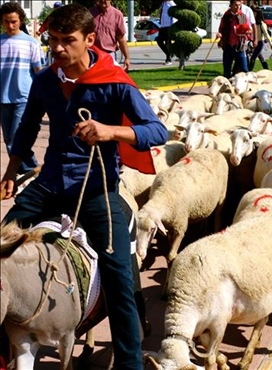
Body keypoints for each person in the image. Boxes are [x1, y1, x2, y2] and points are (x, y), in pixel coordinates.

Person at [0, 4, 167, 369]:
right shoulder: (46, 79)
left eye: (67, 41)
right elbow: (27, 128)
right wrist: (11, 171)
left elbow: (158, 130)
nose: (58, 49)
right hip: (49, 184)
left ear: (89, 40)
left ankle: (129, 362)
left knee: (119, 276)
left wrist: (112, 132)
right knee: (0, 247)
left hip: (96, 188)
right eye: (53, 40)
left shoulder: (113, 81)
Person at [1, 2, 43, 175]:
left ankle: (29, 171)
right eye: (6, 21)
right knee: (8, 139)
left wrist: (42, 97)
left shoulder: (31, 43)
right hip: (3, 98)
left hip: (23, 98)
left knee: (15, 139)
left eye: (14, 21)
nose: (10, 25)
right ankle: (27, 172)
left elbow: (39, 72)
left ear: (20, 21)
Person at [89, 0, 130, 70]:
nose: (102, 0)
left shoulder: (117, 15)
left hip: (109, 55)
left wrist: (127, 58)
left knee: (108, 79)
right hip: (92, 54)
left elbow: (121, 38)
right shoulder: (90, 13)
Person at [217, 0, 252, 78]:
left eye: (239, 5)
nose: (238, 7)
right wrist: (219, 35)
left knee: (244, 69)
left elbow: (249, 29)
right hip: (228, 46)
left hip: (240, 46)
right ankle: (227, 87)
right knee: (227, 70)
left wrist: (248, 32)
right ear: (231, 5)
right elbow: (221, 29)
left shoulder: (242, 16)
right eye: (236, 5)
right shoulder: (226, 16)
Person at [156, 0, 176, 66]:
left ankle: (168, 59)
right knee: (159, 41)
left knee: (168, 43)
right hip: (163, 26)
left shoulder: (171, 4)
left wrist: (172, 27)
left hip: (169, 26)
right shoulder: (163, 3)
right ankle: (169, 53)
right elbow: (162, 13)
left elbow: (173, 17)